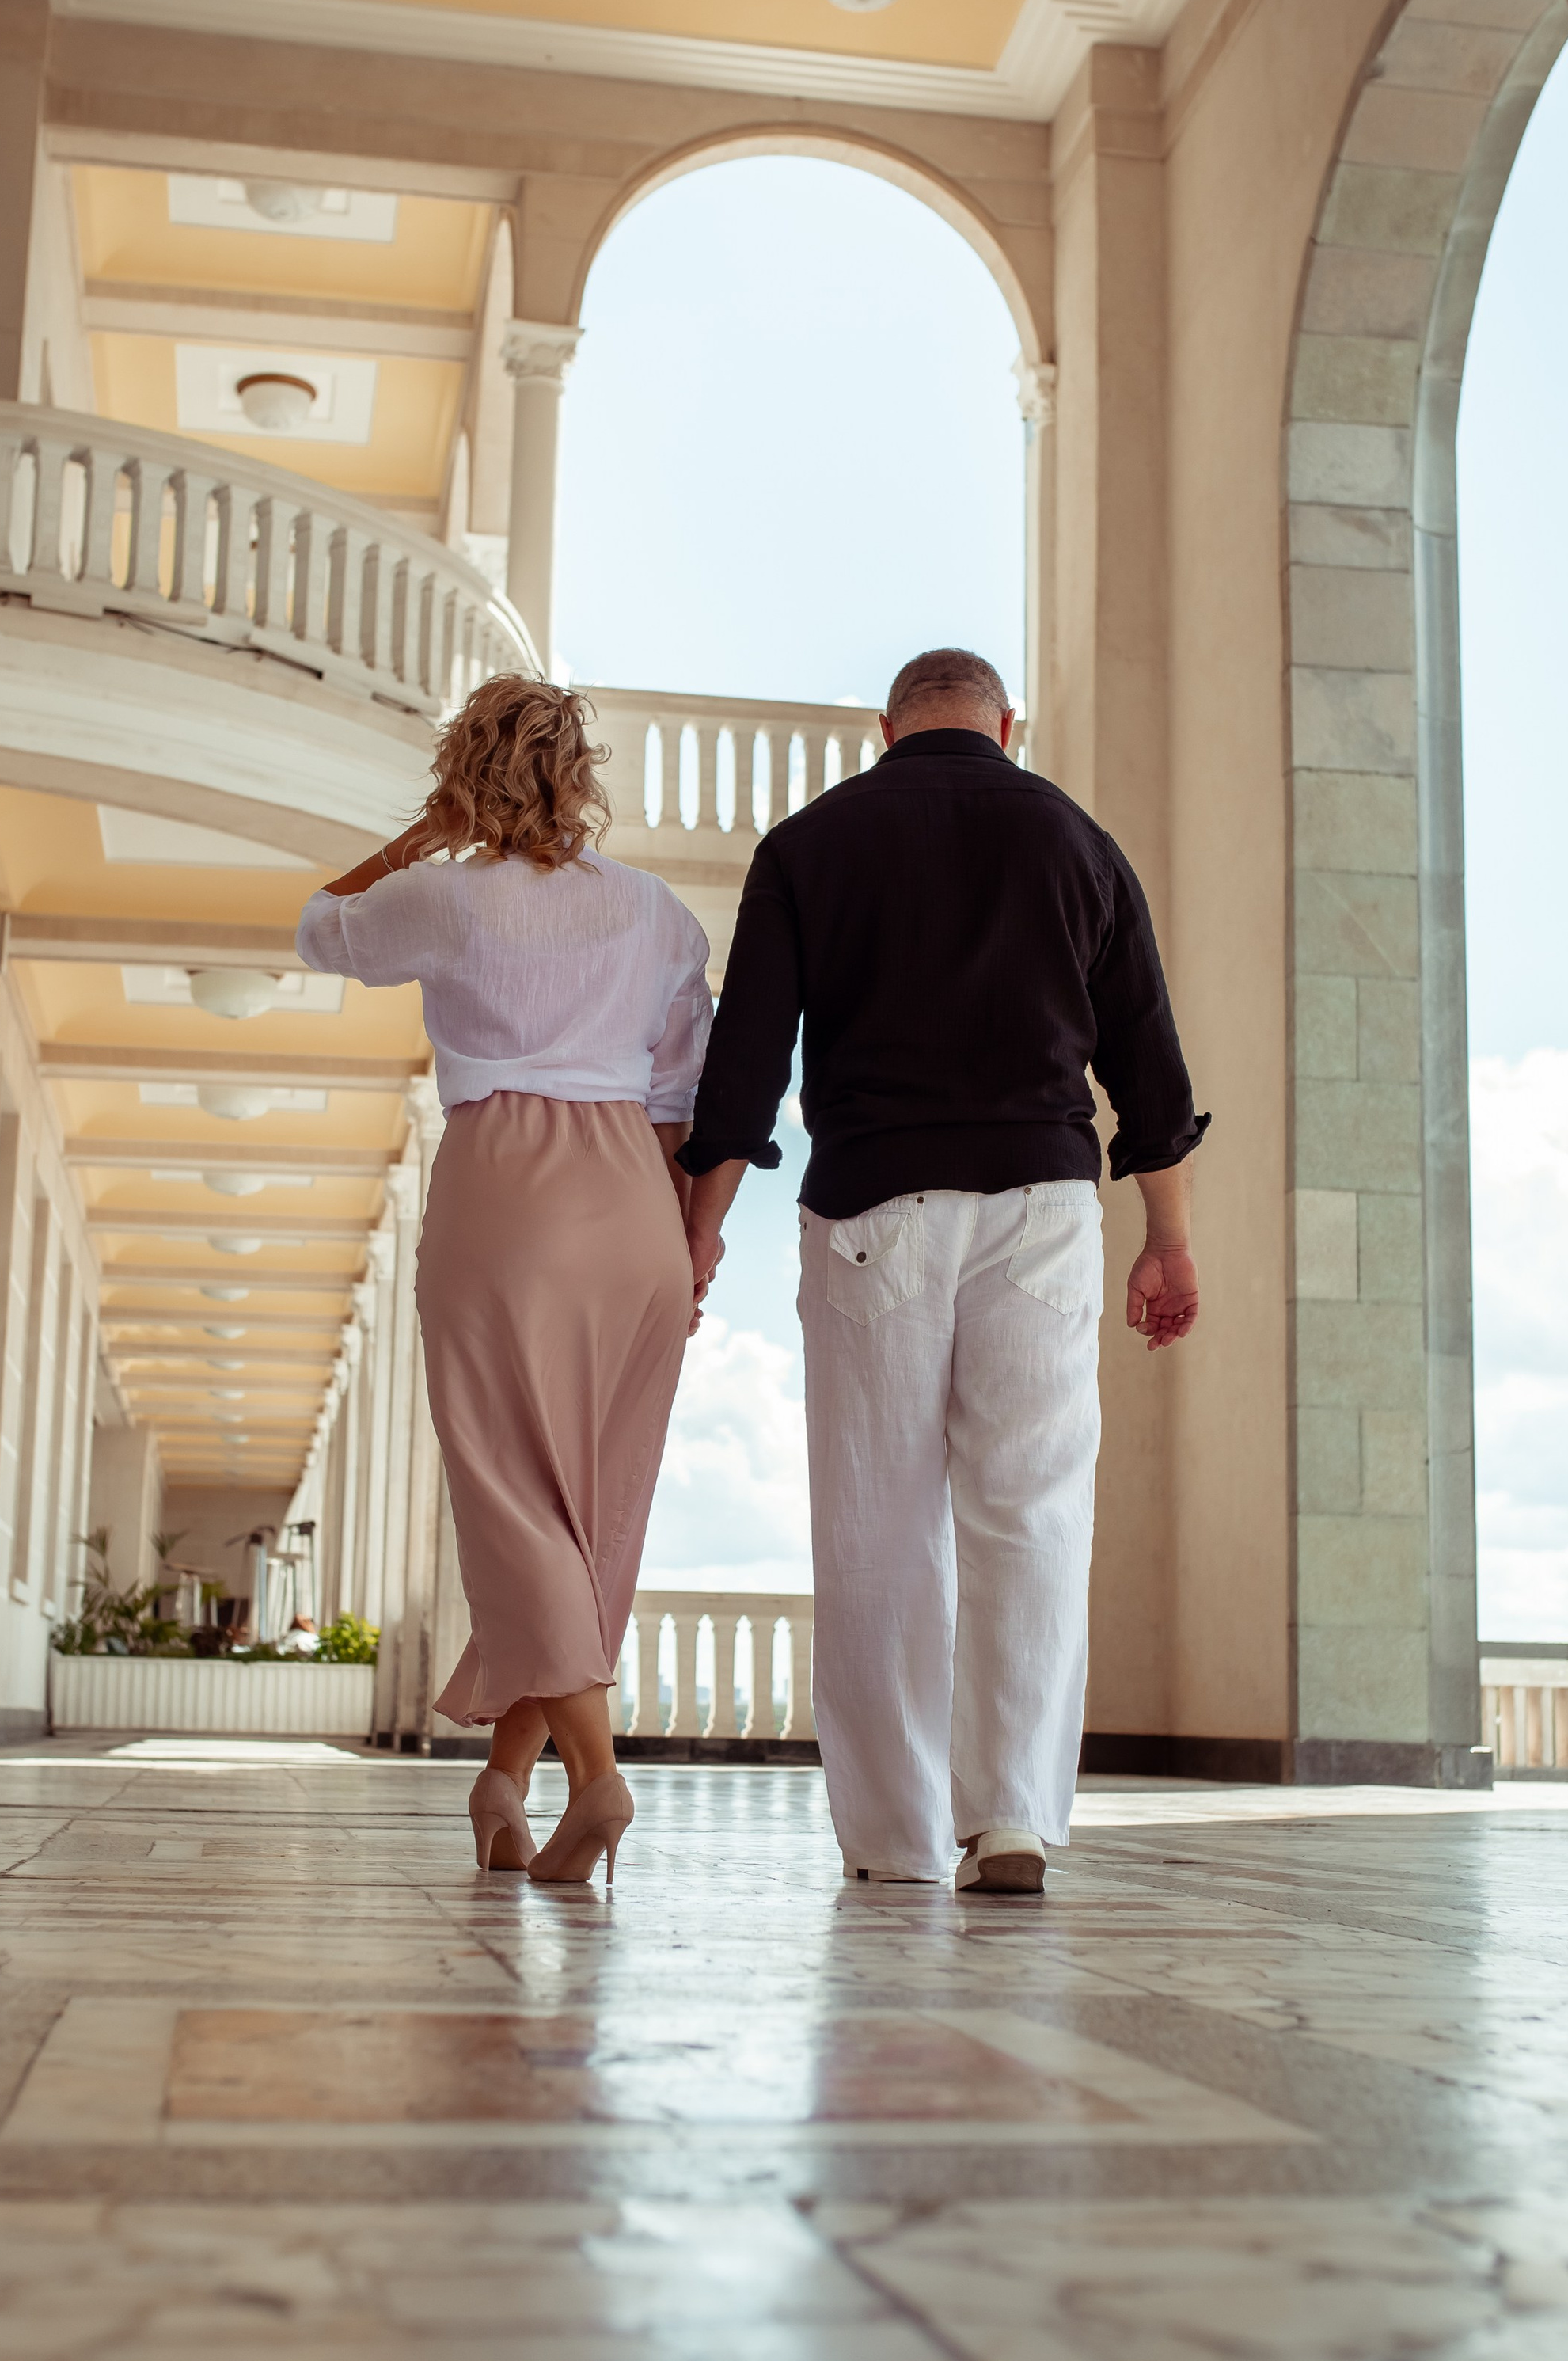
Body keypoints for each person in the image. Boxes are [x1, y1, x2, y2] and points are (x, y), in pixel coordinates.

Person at [679, 647, 1206, 1897]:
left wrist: (701, 1227)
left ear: (885, 729)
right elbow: (1152, 1073)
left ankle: (895, 1840)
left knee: (878, 1525)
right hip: (1042, 1207)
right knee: (1030, 1511)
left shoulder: (810, 844)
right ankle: (1011, 1816)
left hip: (873, 1207)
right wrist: (1169, 1239)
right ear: (1007, 726)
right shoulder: (1080, 841)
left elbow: (744, 1066)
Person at [298, 676, 711, 1888]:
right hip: (637, 1201)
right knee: (592, 1512)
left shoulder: (443, 897)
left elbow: (320, 926)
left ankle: (598, 1778)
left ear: (465, 771)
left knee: (510, 1498)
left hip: (506, 1191)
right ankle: (503, 1781)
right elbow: (682, 1094)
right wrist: (691, 1245)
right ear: (582, 776)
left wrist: (422, 837)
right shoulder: (658, 915)